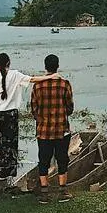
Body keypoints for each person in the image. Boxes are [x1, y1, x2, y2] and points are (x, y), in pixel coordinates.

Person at [0, 53, 63, 184]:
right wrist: (51, 76)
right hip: (10, 113)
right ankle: (10, 173)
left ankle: (1, 172)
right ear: (9, 63)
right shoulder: (15, 74)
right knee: (11, 143)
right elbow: (33, 79)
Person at [30, 53, 74, 204]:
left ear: (45, 67)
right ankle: (63, 192)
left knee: (43, 161)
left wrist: (42, 120)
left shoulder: (37, 85)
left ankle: (44, 194)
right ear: (57, 66)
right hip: (61, 130)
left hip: (43, 131)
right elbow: (70, 108)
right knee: (62, 160)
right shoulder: (64, 84)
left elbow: (34, 109)